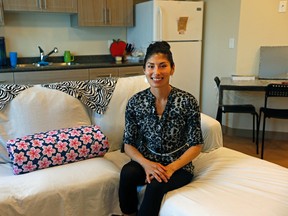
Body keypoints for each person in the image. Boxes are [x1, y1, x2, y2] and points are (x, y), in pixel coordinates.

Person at [118, 41, 203, 216]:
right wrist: (147, 165)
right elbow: (128, 144)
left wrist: (171, 168)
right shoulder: (135, 102)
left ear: (172, 69)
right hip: (147, 160)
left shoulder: (187, 101)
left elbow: (196, 145)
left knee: (156, 185)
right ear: (144, 70)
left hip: (178, 166)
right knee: (127, 173)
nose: (156, 72)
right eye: (151, 66)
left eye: (162, 66)